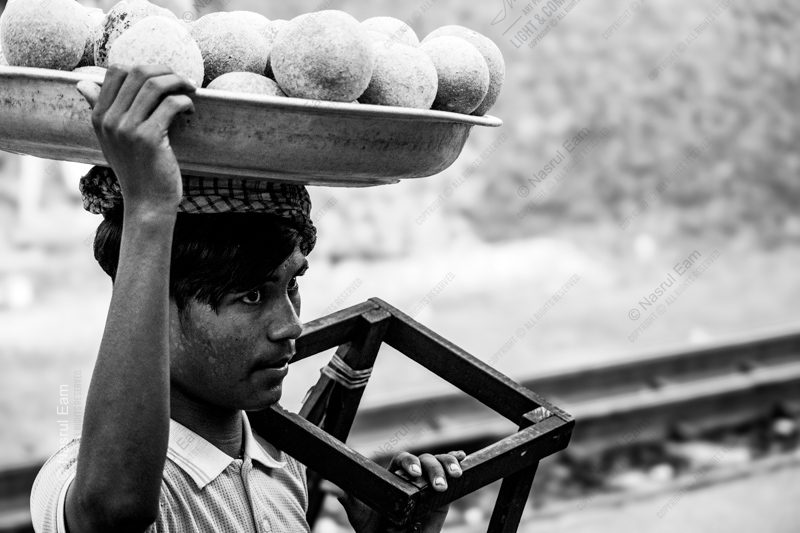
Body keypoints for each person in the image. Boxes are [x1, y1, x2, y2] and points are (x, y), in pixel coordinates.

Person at [29, 65, 465, 532]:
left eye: (292, 284)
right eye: (252, 295)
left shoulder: (284, 469)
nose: (290, 325)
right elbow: (114, 509)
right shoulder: (75, 478)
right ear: (154, 304)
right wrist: (149, 209)